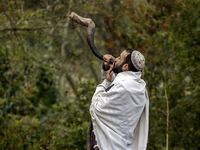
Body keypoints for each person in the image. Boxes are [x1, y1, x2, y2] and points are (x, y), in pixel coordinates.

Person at [87, 48, 149, 150]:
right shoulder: (139, 87)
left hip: (110, 146)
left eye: (119, 58)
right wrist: (106, 69)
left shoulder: (123, 87)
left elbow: (96, 108)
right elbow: (113, 89)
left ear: (125, 66)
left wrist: (105, 83)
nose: (115, 59)